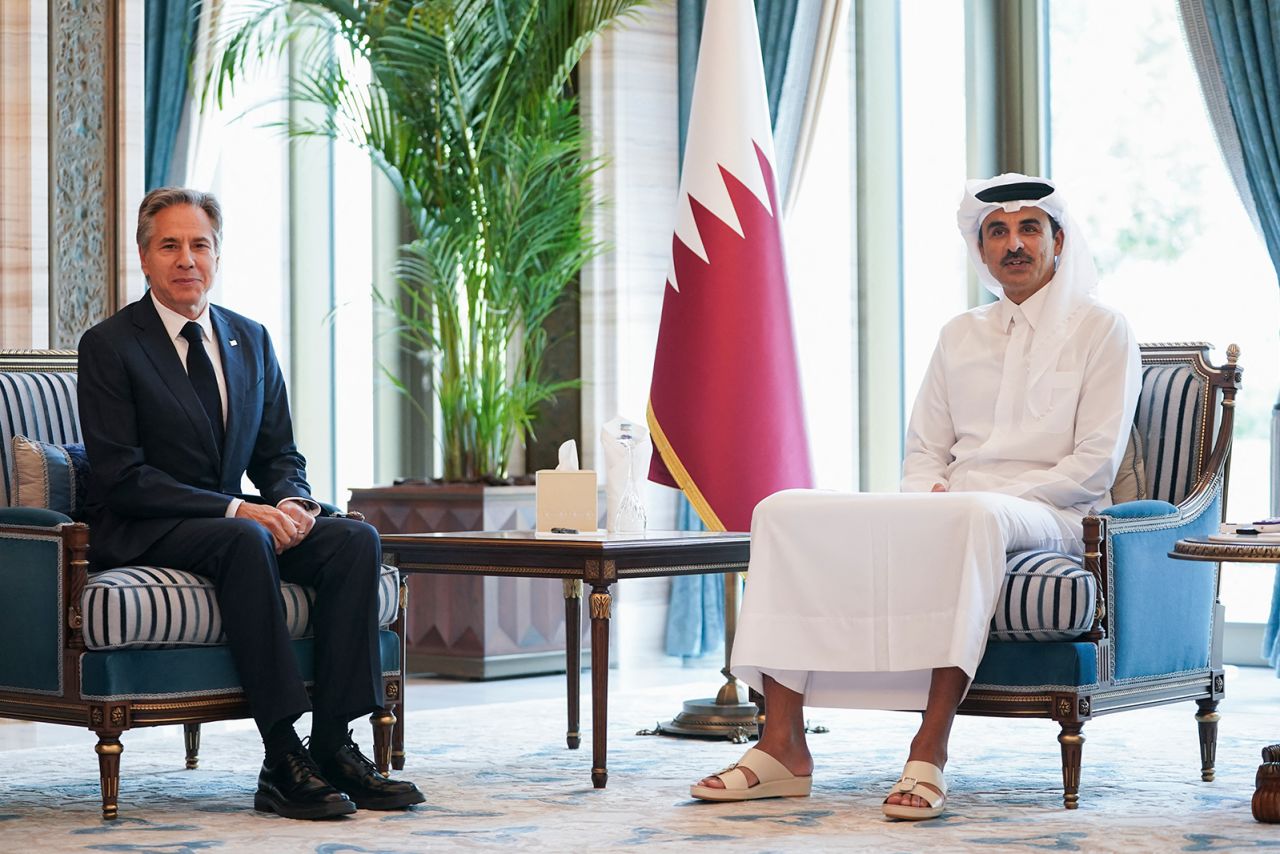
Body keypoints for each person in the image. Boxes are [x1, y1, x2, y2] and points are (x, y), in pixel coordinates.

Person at [691, 173, 1141, 819]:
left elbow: (1093, 465)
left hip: (1056, 512)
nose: (1013, 244)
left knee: (972, 515)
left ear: (1059, 240)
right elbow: (924, 450)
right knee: (782, 510)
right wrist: (928, 497)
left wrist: (970, 498)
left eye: (1029, 229)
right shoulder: (960, 334)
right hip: (957, 507)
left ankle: (929, 749)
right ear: (980, 249)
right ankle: (781, 745)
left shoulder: (1103, 329)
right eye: (997, 232)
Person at [77, 187, 425, 820]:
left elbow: (278, 455)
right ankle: (280, 756)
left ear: (218, 254)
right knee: (245, 537)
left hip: (234, 523)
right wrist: (240, 511)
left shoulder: (250, 338)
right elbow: (123, 477)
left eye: (199, 245)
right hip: (144, 524)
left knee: (354, 539)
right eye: (170, 245)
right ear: (144, 257)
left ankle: (333, 746)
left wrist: (292, 503)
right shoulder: (110, 345)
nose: (187, 259)